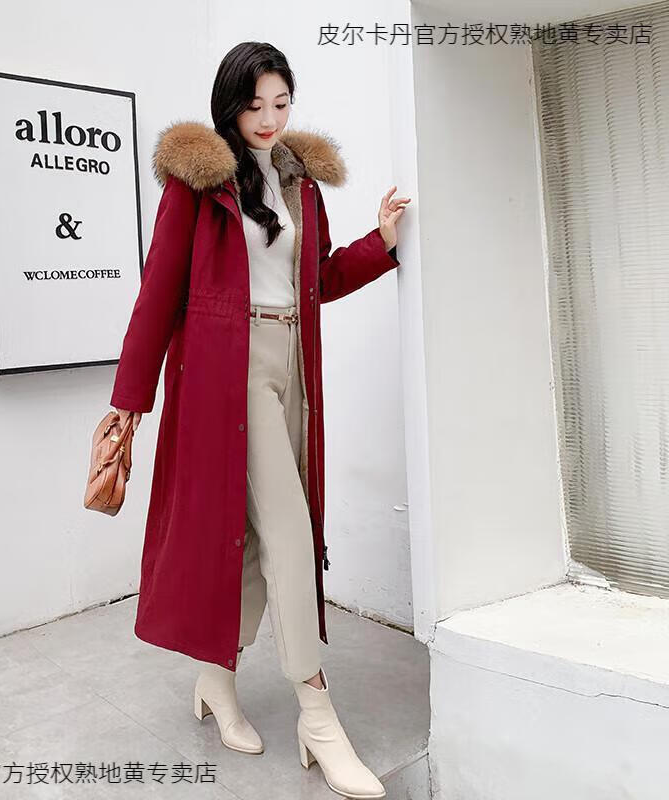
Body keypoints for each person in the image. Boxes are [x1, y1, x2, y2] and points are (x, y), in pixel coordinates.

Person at [111, 41, 408, 800]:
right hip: (229, 372)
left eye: (281, 103)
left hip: (293, 367)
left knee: (249, 537)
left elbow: (319, 279)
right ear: (230, 106)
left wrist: (381, 244)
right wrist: (128, 401)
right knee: (290, 533)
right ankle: (319, 716)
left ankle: (214, 680)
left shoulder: (300, 184)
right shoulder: (198, 183)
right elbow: (158, 293)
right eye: (254, 105)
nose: (269, 119)